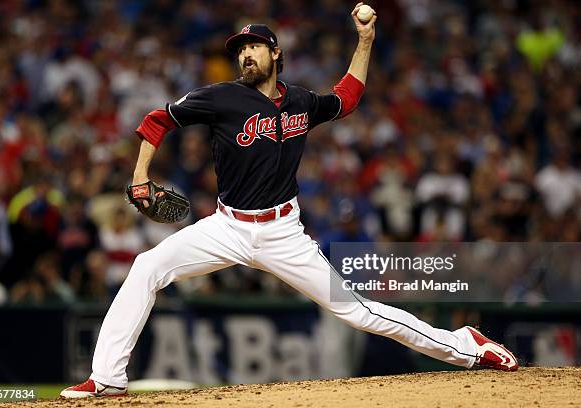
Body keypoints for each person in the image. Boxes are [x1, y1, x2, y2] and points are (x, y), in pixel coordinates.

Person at [61, 3, 518, 399]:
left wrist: (366, 39)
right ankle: (107, 379)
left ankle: (466, 345)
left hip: (283, 232)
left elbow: (348, 98)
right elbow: (156, 119)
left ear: (275, 52)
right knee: (147, 267)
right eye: (239, 49)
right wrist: (140, 174)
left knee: (356, 312)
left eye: (254, 46)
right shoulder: (221, 98)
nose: (245, 54)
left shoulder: (299, 100)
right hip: (227, 227)